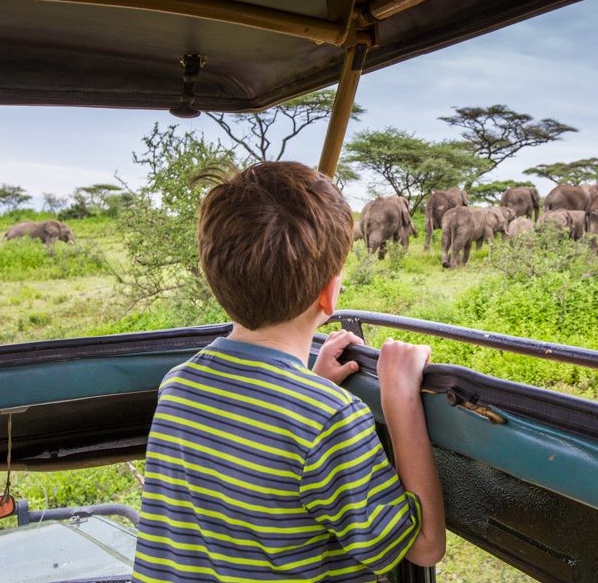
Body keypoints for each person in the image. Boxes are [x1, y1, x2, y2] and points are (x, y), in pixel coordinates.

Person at [132, 161, 445, 583]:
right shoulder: (328, 419)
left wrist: (309, 387)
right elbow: (424, 546)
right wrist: (401, 400)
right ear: (330, 294)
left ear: (214, 281)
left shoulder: (178, 385)